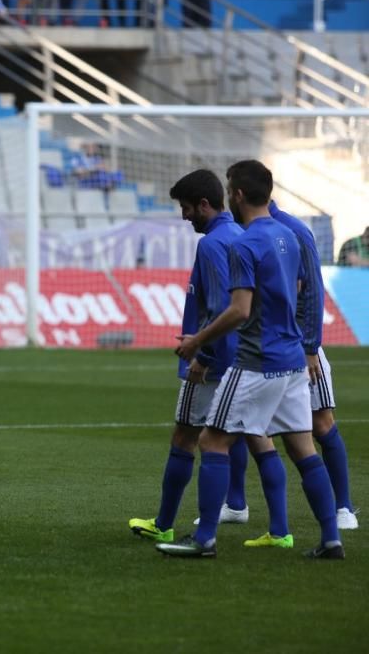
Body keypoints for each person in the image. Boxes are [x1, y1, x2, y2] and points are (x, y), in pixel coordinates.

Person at [160, 160, 343, 559]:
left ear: (238, 195)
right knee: (302, 448)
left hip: (258, 360)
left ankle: (204, 538)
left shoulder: (244, 244)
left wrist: (197, 342)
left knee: (211, 440)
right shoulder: (288, 236)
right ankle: (331, 538)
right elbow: (297, 289)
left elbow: (239, 309)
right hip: (294, 359)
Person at [128, 170, 289, 545]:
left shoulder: (215, 244)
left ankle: (165, 523)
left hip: (213, 361)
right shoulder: (241, 235)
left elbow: (222, 306)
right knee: (257, 435)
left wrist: (204, 355)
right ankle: (279, 529)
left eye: (186, 208)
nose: (184, 216)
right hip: (249, 359)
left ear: (204, 204)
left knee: (186, 435)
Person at [216, 201, 359, 530]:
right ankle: (237, 504)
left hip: (298, 349)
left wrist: (310, 347)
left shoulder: (295, 231)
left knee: (321, 425)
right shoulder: (247, 232)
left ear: (242, 195)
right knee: (248, 431)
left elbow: (312, 292)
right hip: (262, 351)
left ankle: (344, 508)